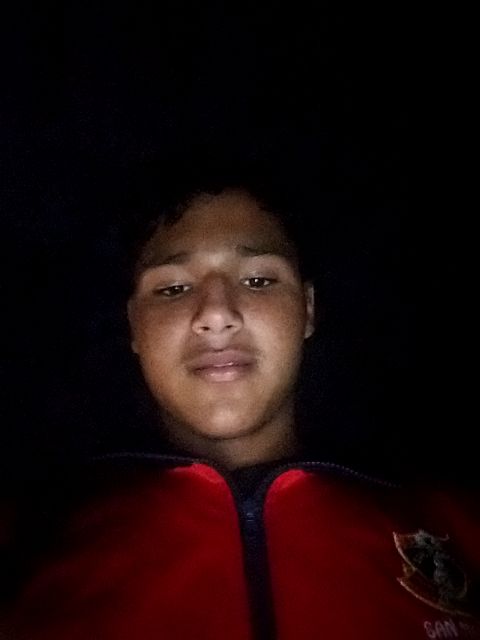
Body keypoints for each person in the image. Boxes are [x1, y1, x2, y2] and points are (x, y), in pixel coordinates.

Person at [1, 172, 479, 640]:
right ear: (133, 327)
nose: (216, 315)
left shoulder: (453, 525)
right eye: (172, 289)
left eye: (257, 280)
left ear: (308, 309)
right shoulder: (28, 539)